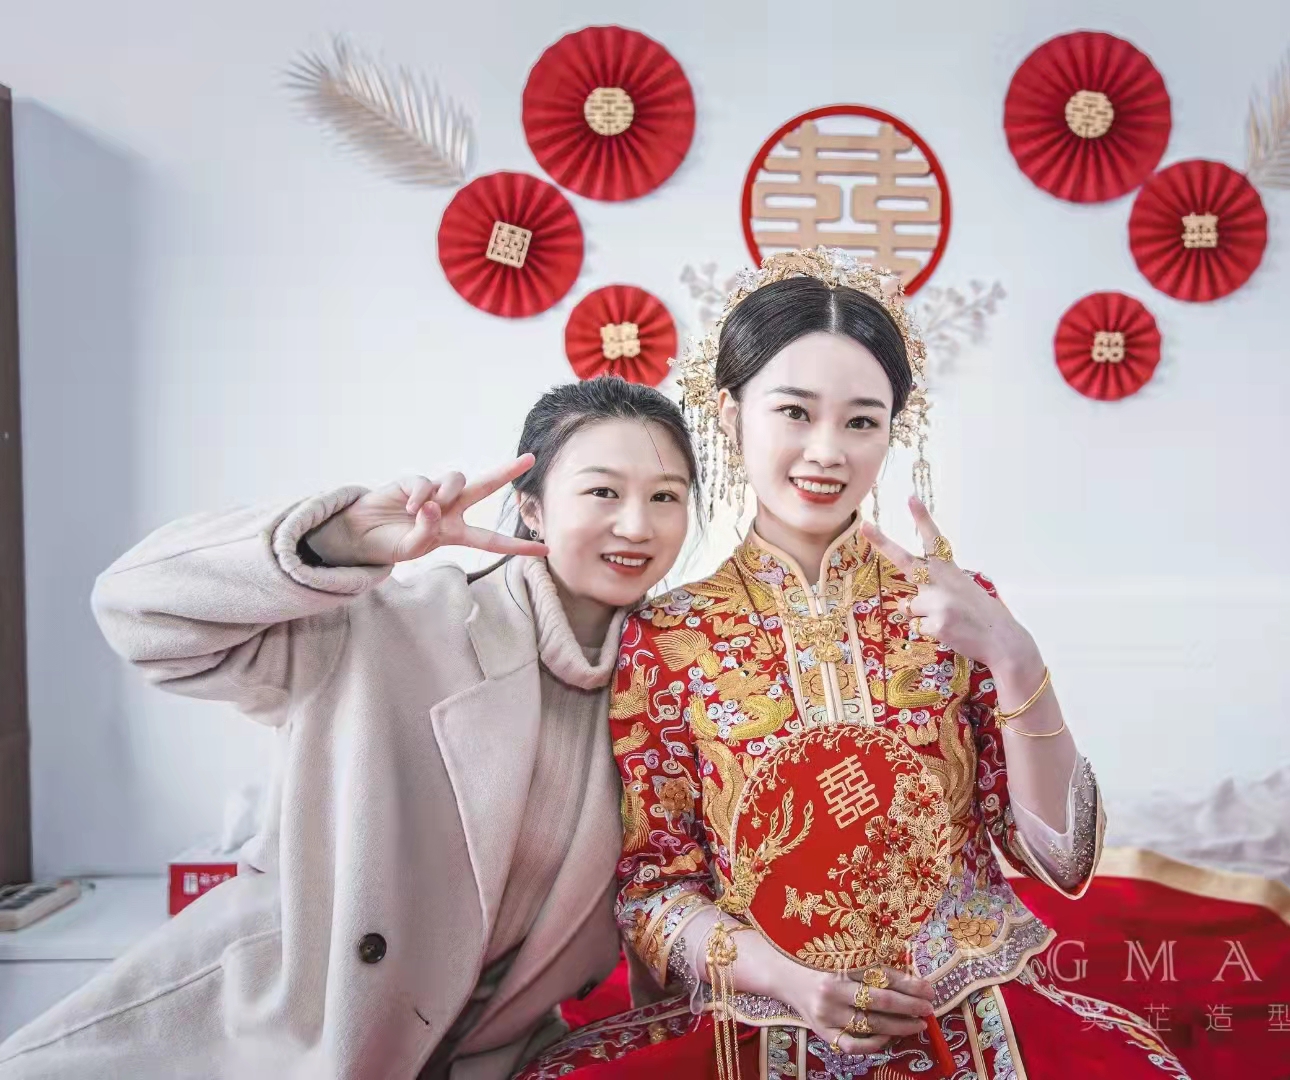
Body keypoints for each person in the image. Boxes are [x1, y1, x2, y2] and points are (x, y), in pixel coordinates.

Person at [513, 251, 1190, 1079]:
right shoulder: (670, 638)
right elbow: (656, 891)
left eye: (862, 422)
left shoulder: (959, 607)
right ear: (730, 415)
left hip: (970, 1003)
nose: (827, 451)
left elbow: (1063, 860)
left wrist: (1016, 657)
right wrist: (790, 980)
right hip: (765, 1011)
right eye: (795, 412)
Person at [0, 377, 697, 1080]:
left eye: (665, 497)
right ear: (532, 507)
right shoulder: (391, 625)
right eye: (603, 491)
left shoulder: (670, 695)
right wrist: (338, 540)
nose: (636, 525)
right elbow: (138, 614)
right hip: (266, 1043)